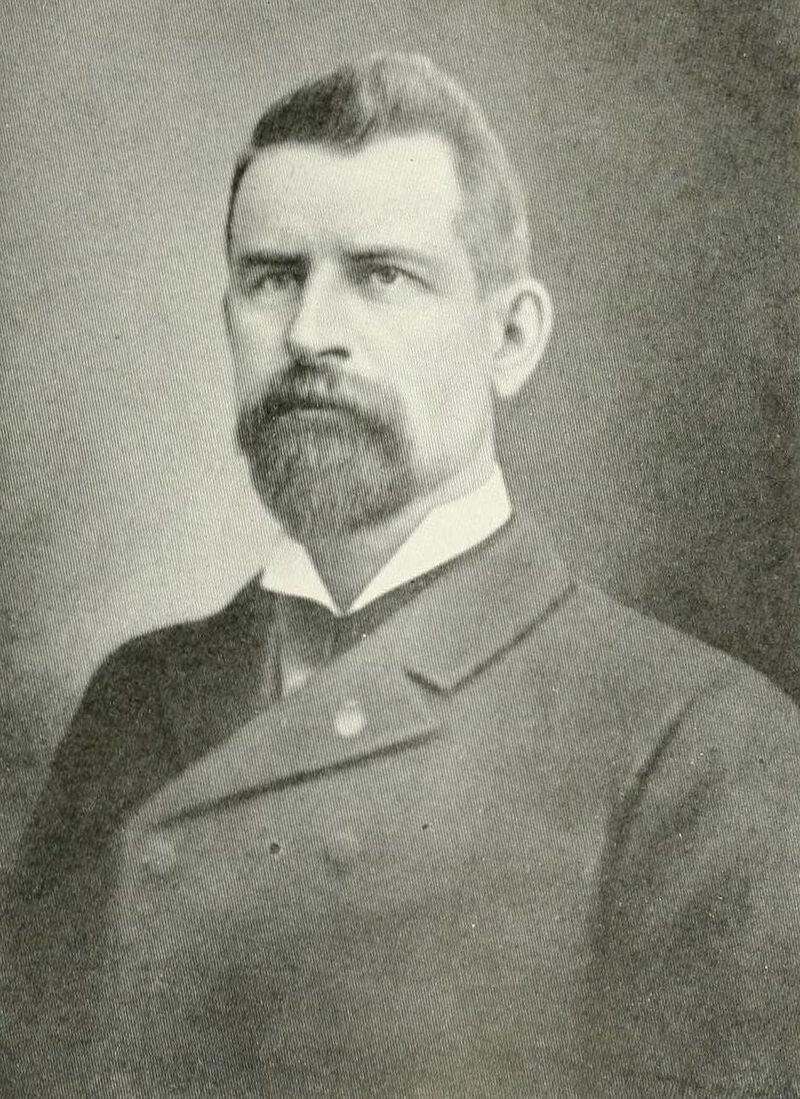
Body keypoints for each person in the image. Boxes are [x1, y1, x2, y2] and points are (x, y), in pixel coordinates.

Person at [6, 51, 800, 1098]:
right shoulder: (136, 699)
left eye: (382, 275)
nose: (309, 334)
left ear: (510, 338)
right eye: (272, 277)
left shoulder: (701, 747)